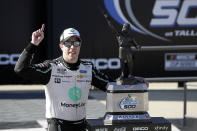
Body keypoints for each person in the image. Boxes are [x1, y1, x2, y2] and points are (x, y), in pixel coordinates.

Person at [14, 24, 113, 131]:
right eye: (68, 43)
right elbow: (20, 69)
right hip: (59, 125)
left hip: (81, 124)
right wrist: (33, 44)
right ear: (61, 46)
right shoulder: (51, 67)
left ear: (80, 45)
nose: (72, 47)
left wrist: (127, 82)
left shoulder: (88, 68)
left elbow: (110, 85)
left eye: (76, 43)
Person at [102, 11, 141, 84]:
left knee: (130, 62)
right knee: (122, 62)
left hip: (128, 49)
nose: (124, 28)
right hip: (121, 49)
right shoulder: (119, 34)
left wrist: (138, 46)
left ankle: (130, 74)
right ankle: (122, 74)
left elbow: (135, 44)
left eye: (126, 27)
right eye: (124, 26)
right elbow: (112, 27)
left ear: (128, 29)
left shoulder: (131, 37)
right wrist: (108, 19)